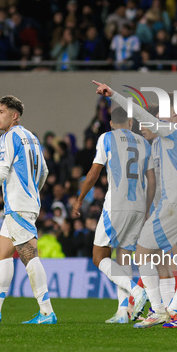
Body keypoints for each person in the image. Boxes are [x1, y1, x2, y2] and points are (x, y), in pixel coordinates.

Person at [93, 81, 177, 330]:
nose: (158, 117)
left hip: (175, 204)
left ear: (175, 113)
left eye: (162, 113)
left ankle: (158, 310)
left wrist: (112, 94)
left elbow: (139, 113)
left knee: (143, 251)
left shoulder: (172, 130)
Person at [0, 95, 56, 325]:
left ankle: (47, 312)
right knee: (4, 254)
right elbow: (45, 171)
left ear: (14, 115)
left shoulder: (8, 137)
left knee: (29, 256)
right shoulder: (32, 138)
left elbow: (0, 172)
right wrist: (33, 191)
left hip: (19, 205)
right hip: (22, 204)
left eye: (1, 111)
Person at [73, 107, 153, 324]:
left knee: (99, 257)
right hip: (138, 205)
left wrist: (80, 199)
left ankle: (136, 291)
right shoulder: (143, 143)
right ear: (130, 122)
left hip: (116, 205)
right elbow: (152, 178)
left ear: (111, 123)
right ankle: (122, 312)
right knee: (124, 255)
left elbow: (94, 172)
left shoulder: (106, 138)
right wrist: (147, 207)